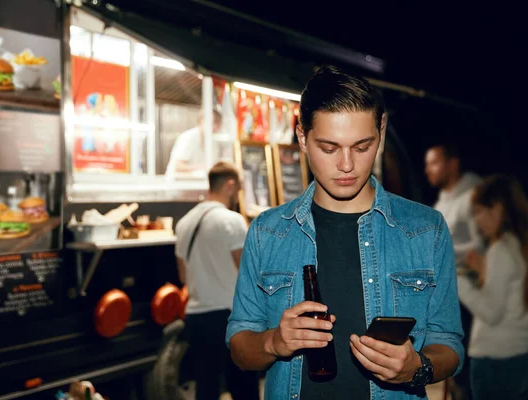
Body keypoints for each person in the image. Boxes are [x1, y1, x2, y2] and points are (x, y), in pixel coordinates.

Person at [227, 66, 464, 400]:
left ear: (381, 130)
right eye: (329, 148)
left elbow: (450, 344)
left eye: (362, 146)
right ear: (302, 138)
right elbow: (239, 347)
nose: (347, 165)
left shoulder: (425, 229)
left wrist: (417, 367)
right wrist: (274, 342)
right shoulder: (268, 232)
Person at [174, 161, 260, 400]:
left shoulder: (184, 223)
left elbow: (183, 276)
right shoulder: (231, 221)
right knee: (244, 387)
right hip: (230, 318)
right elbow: (247, 272)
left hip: (197, 317)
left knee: (206, 388)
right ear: (230, 185)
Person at [457, 175, 528, 400]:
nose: (477, 221)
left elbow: (491, 312)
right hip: (522, 357)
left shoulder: (501, 248)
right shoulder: (523, 244)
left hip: (496, 362)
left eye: (479, 211)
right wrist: (483, 270)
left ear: (497, 209)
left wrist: (456, 280)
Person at [425, 143, 483, 400]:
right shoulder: (443, 200)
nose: (428, 170)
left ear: (453, 163)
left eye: (434, 162)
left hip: (473, 297)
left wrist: (446, 251)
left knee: (468, 365)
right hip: (451, 291)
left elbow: (486, 242)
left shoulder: (474, 194)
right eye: (426, 164)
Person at [165, 108, 223, 178]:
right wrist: (203, 167)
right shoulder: (188, 137)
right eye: (213, 122)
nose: (215, 127)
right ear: (201, 120)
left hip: (198, 185)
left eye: (218, 123)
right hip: (179, 185)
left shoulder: (213, 142)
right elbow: (178, 166)